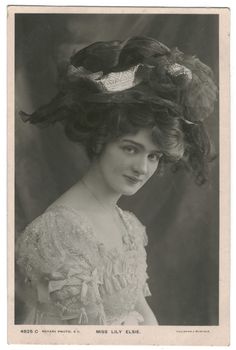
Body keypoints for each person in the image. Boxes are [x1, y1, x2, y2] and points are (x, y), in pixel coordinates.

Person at [16, 36, 217, 325]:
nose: (141, 168)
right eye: (130, 148)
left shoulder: (128, 225)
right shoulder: (58, 233)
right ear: (100, 141)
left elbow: (147, 319)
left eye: (154, 156)